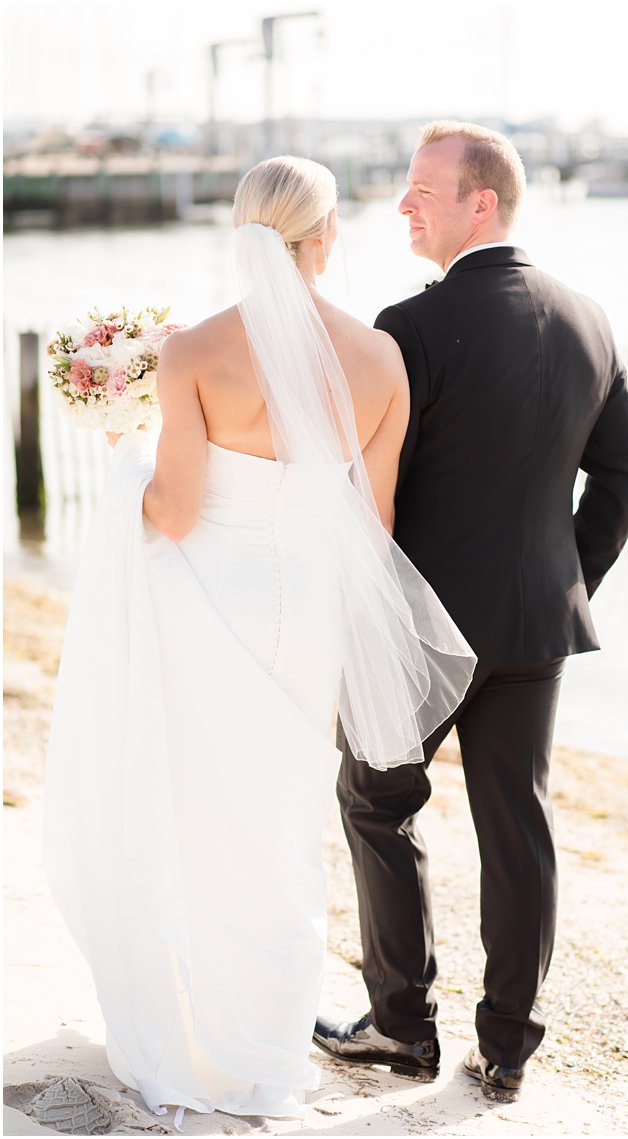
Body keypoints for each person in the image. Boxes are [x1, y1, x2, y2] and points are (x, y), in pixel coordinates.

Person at [43, 156, 475, 1121]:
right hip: (309, 609)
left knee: (202, 810)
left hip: (214, 600)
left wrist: (125, 459)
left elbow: (179, 511)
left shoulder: (195, 351)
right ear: (325, 239)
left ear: (241, 231)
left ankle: (199, 1026)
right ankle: (269, 1046)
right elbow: (377, 521)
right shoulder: (380, 359)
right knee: (286, 819)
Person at [314, 121, 628, 1102]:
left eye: (424, 188)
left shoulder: (408, 328)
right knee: (518, 829)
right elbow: (624, 476)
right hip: (535, 628)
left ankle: (402, 1026)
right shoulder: (589, 317)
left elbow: (374, 490)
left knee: (376, 802)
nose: (404, 204)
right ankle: (504, 1049)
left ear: (482, 203)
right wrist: (561, 578)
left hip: (419, 629)